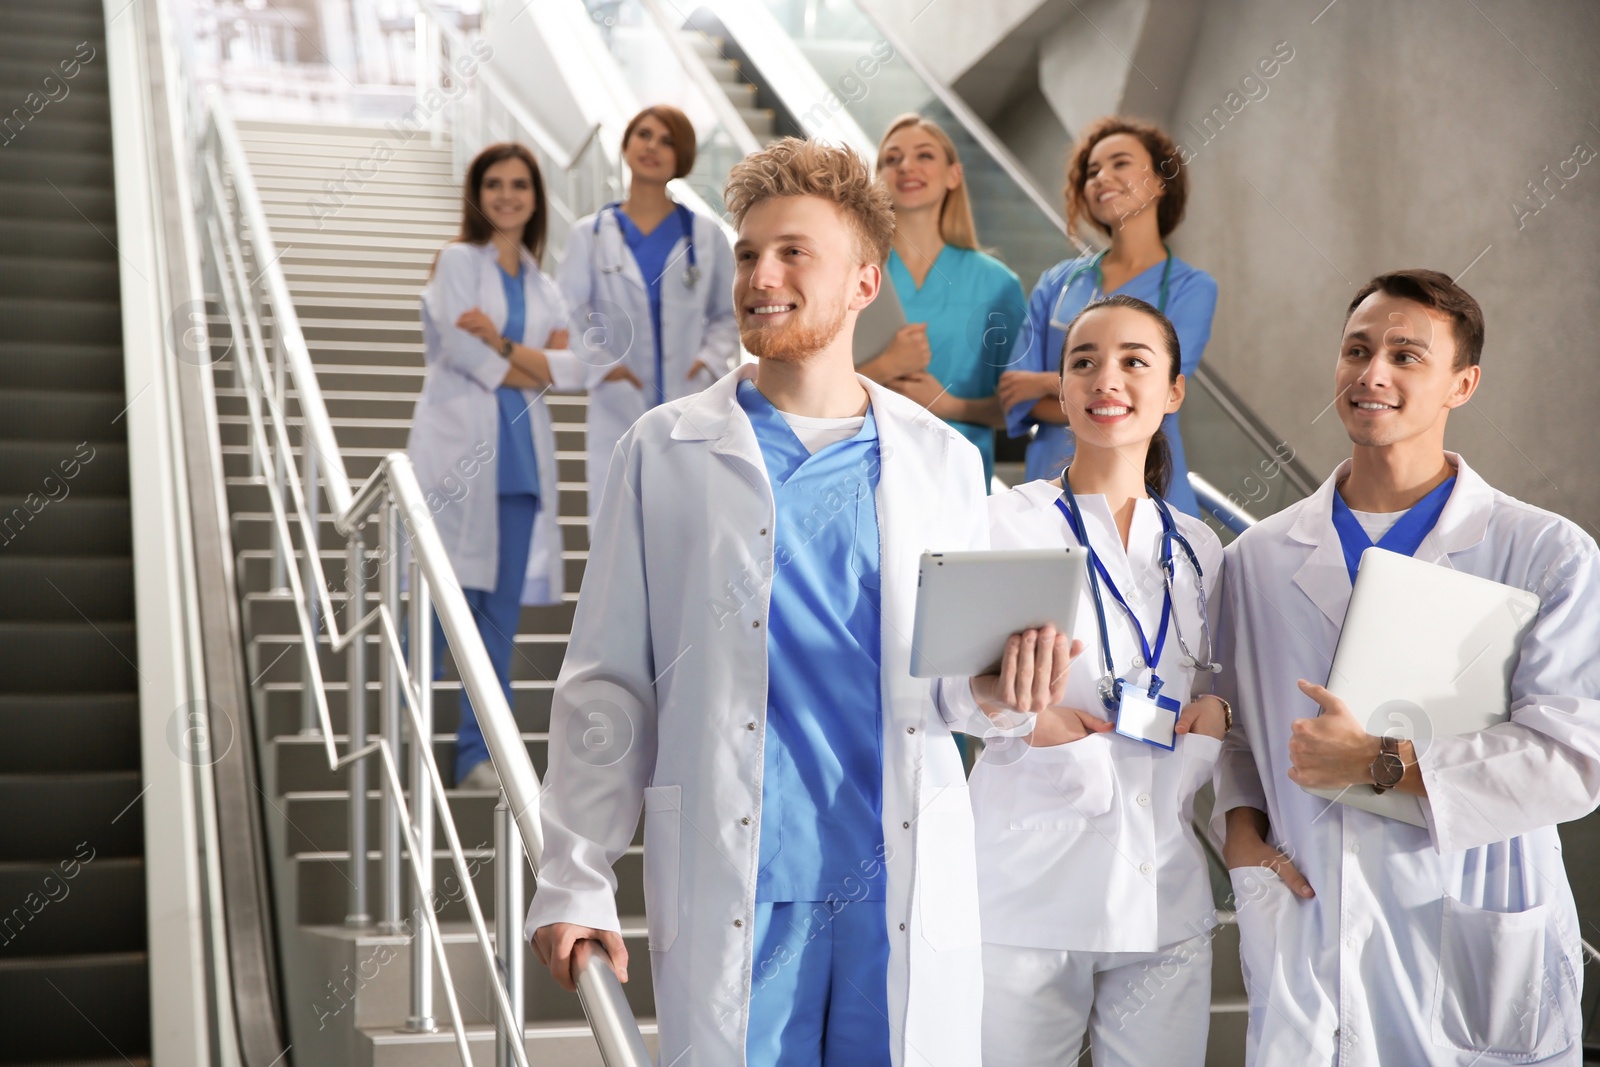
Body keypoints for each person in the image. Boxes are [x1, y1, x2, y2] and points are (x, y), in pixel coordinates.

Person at [525, 137, 988, 1066]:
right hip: (744, 871)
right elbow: (608, 684)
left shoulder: (943, 462)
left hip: (894, 872)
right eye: (747, 254)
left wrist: (1005, 693)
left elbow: (957, 690)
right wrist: (576, 875)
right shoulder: (664, 451)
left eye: (792, 254)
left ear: (864, 283)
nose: (759, 276)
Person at [1213, 269, 1600, 1066]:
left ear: (1464, 382)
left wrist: (1382, 763)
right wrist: (1240, 833)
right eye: (1356, 349)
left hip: (1472, 933)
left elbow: (1574, 755)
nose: (1372, 372)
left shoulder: (1544, 552)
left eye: (1405, 355)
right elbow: (1234, 729)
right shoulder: (1254, 557)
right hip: (1307, 933)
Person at [939, 295, 1228, 1065]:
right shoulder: (1001, 523)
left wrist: (1214, 720)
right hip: (1025, 898)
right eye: (1084, 361)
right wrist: (1018, 717)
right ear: (1062, 392)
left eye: (1135, 360)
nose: (1108, 378)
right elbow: (940, 693)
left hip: (1164, 895)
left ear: (1173, 390)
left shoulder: (1202, 549)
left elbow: (1208, 687)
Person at [408, 143, 586, 789]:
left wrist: (503, 341)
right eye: (493, 184)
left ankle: (476, 755)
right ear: (477, 194)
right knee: (438, 607)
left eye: (519, 184)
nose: (506, 195)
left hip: (520, 467)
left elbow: (571, 372)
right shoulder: (457, 261)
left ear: (537, 197)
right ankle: (397, 726)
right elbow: (458, 349)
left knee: (497, 621)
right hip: (457, 456)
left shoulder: (546, 286)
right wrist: (528, 363)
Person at [999, 116, 1217, 516]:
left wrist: (1053, 384)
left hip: (1149, 478)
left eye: (1119, 163)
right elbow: (1015, 391)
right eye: (1092, 171)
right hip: (1053, 470)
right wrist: (1110, 398)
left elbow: (1155, 390)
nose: (1101, 177)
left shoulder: (1192, 288)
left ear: (1159, 181)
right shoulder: (1058, 281)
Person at [557, 104, 739, 524]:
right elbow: (570, 313)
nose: (653, 147)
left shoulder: (706, 235)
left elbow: (727, 316)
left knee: (686, 527)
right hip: (617, 398)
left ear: (683, 157)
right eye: (644, 135)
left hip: (690, 395)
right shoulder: (590, 234)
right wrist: (606, 367)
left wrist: (706, 361)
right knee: (616, 527)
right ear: (626, 144)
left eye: (667, 141)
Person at [857, 113, 1026, 487]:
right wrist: (885, 367)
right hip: (863, 469)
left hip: (955, 479)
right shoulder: (855, 272)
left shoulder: (996, 284)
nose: (906, 167)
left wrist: (950, 407)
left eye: (924, 155)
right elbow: (814, 382)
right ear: (879, 177)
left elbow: (1018, 407)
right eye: (892, 158)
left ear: (954, 175)